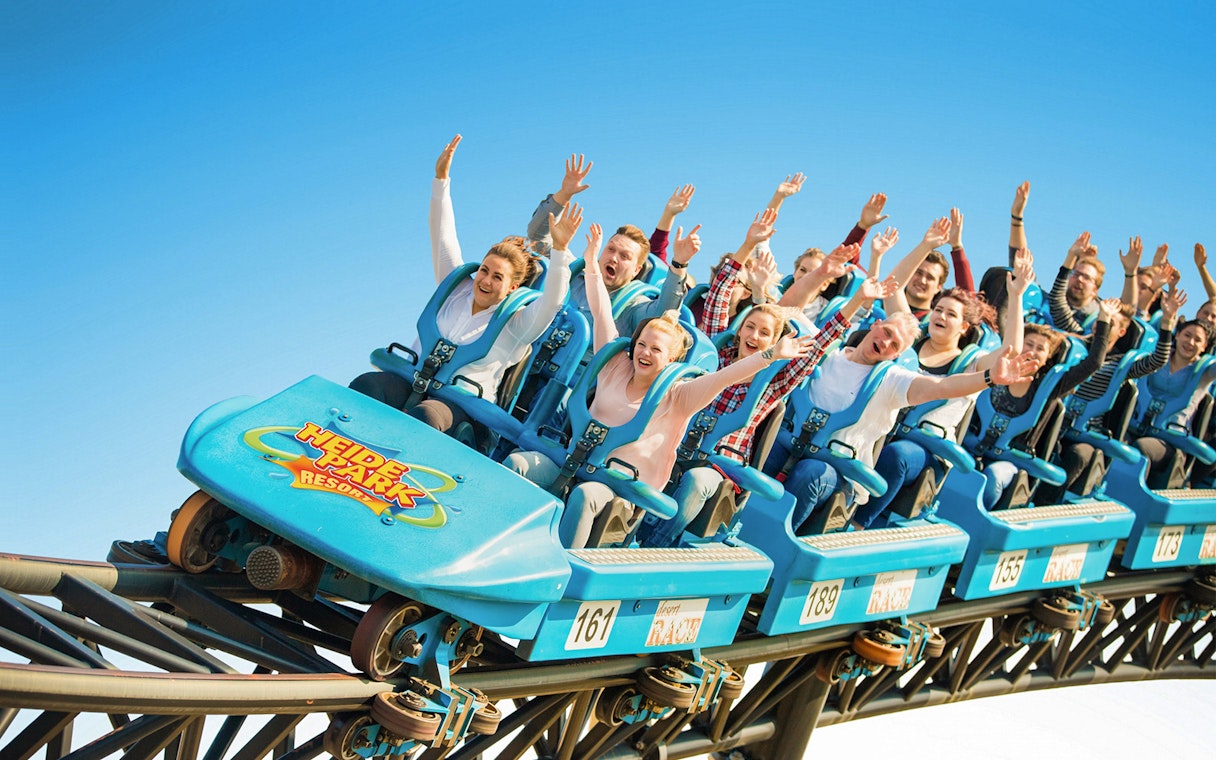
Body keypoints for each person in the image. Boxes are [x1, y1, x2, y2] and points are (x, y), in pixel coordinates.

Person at [506, 222, 823, 549]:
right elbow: (602, 311)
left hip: (618, 489)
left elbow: (725, 376)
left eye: (656, 350)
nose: (644, 352)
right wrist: (589, 258)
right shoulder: (613, 367)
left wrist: (772, 355)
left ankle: (562, 578)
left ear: (672, 361)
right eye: (642, 344)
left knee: (586, 496)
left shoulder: (679, 396)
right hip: (574, 462)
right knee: (518, 462)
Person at [645, 232, 896, 547]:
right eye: (750, 327)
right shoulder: (717, 357)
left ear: (776, 343)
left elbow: (821, 343)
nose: (754, 335)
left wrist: (860, 300)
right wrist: (748, 242)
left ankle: (656, 544)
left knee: (695, 481)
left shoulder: (774, 382)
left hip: (718, 465)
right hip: (676, 444)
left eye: (765, 333)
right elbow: (720, 296)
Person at [349, 135, 573, 434]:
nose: (486, 280)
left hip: (462, 410)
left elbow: (552, 302)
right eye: (484, 270)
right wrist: (441, 179)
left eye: (497, 277)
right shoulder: (455, 289)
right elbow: (443, 235)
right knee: (367, 386)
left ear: (512, 288)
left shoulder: (517, 324)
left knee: (425, 418)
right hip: (412, 381)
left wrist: (559, 252)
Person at [762, 309, 1036, 534]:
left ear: (896, 355)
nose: (886, 342)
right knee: (764, 452)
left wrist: (989, 379)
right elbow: (786, 312)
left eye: (895, 345)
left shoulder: (892, 380)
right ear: (876, 325)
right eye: (887, 333)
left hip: (835, 472)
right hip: (789, 444)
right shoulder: (829, 352)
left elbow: (941, 387)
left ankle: (772, 544)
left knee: (810, 472)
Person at [850, 250, 1030, 529]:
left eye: (951, 314)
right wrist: (926, 244)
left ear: (964, 326)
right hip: (880, 432)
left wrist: (1016, 296)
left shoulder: (971, 362)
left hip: (924, 452)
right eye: (938, 310)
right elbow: (893, 287)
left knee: (896, 456)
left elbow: (1011, 350)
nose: (941, 316)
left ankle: (858, 525)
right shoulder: (909, 343)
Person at [1036, 286, 1184, 503]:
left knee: (1080, 454)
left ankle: (1047, 505)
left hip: (1085, 433)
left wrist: (1167, 322)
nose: (1101, 326)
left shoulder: (1120, 364)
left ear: (1121, 332)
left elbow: (1157, 361)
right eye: (1100, 320)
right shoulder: (1074, 345)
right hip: (1053, 421)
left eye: (1109, 323)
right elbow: (1054, 316)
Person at [526, 155, 694, 337]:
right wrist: (563, 195)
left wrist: (679, 263)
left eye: (625, 256)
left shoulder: (633, 305)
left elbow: (664, 315)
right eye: (611, 249)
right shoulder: (573, 273)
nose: (613, 258)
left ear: (636, 270)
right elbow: (538, 238)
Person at [978, 301, 1117, 508]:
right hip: (977, 446)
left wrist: (1104, 320)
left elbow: (1093, 363)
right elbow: (1004, 317)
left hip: (1012, 461)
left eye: (1040, 349)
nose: (1032, 351)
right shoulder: (998, 371)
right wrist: (1015, 290)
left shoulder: (1050, 386)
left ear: (1047, 357)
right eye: (1028, 344)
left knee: (993, 477)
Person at [1130, 318, 1216, 482]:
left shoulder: (1204, 371)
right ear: (1177, 336)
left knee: (1142, 447)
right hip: (1138, 426)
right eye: (1187, 335)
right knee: (1121, 442)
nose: (1190, 342)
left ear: (1204, 347)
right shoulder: (1157, 358)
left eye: (1197, 340)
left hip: (1171, 441)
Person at [1049, 231, 1105, 333]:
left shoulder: (1096, 322)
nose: (1079, 279)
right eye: (1076, 274)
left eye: (1086, 277)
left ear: (1095, 290)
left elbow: (1058, 305)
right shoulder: (1047, 303)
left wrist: (1071, 256)